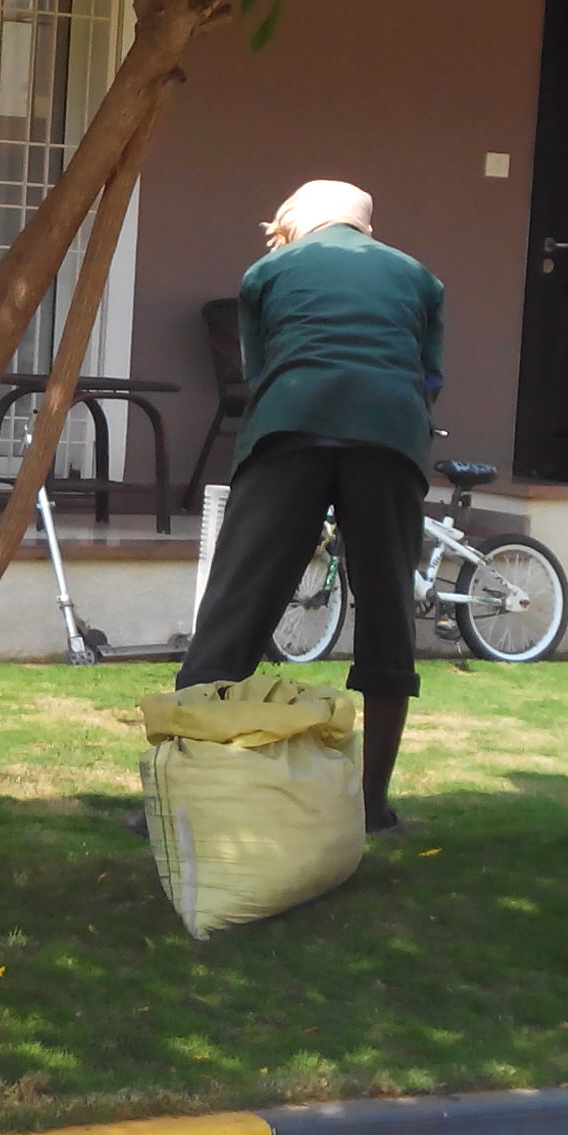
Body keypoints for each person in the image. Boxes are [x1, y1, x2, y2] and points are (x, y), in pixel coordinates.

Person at [175, 178, 446, 834]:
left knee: (235, 605)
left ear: (299, 220)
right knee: (387, 610)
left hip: (289, 429)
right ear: (365, 225)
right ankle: (372, 805)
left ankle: (184, 794)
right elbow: (429, 377)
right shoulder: (419, 277)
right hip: (389, 436)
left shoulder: (268, 271)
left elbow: (259, 371)